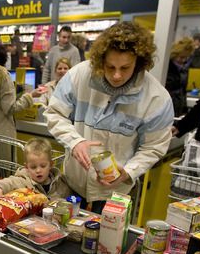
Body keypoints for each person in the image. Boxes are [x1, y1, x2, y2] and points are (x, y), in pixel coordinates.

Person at [44, 21, 174, 214]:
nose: (116, 75)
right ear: (100, 60)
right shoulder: (79, 75)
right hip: (73, 183)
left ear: (139, 63)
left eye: (125, 68)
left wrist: (129, 172)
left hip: (115, 192)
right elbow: (54, 113)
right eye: (110, 66)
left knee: (107, 241)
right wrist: (75, 142)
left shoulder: (156, 98)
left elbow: (154, 147)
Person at [0, 138, 72, 200]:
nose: (38, 170)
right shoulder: (23, 181)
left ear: (51, 165)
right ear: (27, 168)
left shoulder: (60, 182)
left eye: (43, 166)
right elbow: (8, 182)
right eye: (33, 167)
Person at [166, 37, 196, 116]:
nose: (183, 60)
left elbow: (183, 91)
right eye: (181, 57)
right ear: (174, 54)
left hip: (178, 107)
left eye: (186, 58)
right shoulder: (166, 68)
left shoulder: (184, 70)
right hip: (168, 107)